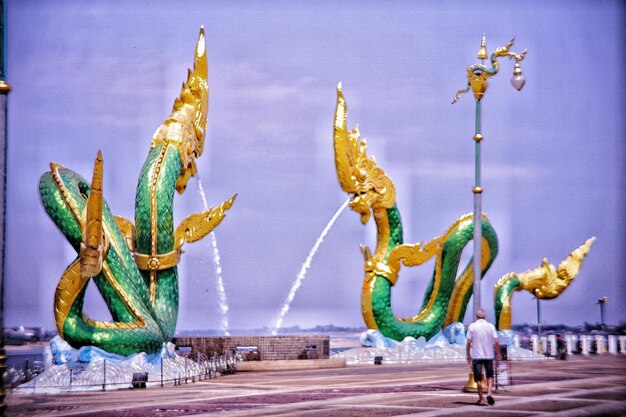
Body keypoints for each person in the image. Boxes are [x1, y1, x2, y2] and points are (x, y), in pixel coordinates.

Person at [466, 307, 501, 406]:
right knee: (490, 376)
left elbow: (468, 342)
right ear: (485, 316)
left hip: (477, 355)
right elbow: (496, 341)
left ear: (477, 316)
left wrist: (468, 354)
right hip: (489, 355)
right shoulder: (490, 326)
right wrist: (498, 353)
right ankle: (489, 392)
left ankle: (481, 399)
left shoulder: (472, 326)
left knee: (478, 379)